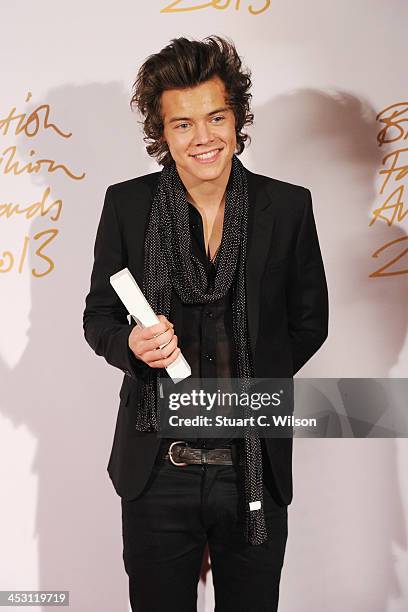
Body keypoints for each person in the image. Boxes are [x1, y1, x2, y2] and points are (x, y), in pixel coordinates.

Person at [83, 35, 329, 612]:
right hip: (157, 467)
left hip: (254, 465)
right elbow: (99, 317)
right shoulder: (127, 205)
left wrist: (248, 391)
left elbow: (309, 322)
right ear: (162, 133)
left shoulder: (288, 206)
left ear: (237, 118)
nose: (203, 138)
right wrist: (132, 345)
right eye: (183, 124)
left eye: (216, 118)